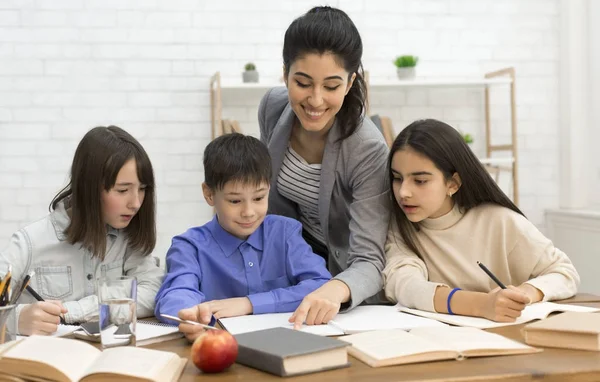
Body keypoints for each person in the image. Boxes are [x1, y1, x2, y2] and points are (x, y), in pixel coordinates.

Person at [259, 6, 390, 329]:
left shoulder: (367, 149)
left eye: (331, 86)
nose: (316, 100)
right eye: (302, 82)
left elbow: (371, 260)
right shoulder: (273, 108)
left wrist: (335, 288)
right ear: (285, 73)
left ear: (350, 83)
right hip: (294, 271)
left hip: (345, 283)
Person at [383, 119, 580, 322]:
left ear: (453, 183)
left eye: (420, 181)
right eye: (397, 178)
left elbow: (564, 272)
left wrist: (522, 295)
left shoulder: (501, 221)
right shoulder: (400, 227)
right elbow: (405, 286)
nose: (403, 192)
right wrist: (481, 305)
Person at [154, 133, 331, 341]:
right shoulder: (189, 246)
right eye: (235, 201)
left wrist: (248, 303)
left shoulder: (285, 233)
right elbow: (176, 293)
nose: (249, 212)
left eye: (258, 198)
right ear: (209, 194)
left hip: (287, 343)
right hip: (220, 349)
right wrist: (191, 314)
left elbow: (321, 285)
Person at [0, 126, 163, 335]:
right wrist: (16, 319)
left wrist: (76, 310)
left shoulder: (127, 239)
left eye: (142, 189)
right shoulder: (29, 242)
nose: (136, 203)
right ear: (89, 187)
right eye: (122, 190)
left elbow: (153, 291)